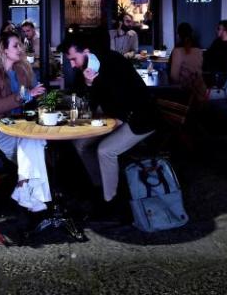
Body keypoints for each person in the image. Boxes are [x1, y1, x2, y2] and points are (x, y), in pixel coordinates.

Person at [61, 32, 159, 216]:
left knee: (105, 151)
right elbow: (89, 102)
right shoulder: (88, 69)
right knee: (80, 145)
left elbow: (121, 99)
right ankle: (100, 188)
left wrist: (94, 83)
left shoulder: (113, 62)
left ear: (87, 52)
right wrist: (89, 85)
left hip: (140, 118)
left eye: (73, 59)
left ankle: (111, 203)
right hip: (117, 117)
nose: (72, 64)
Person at [0, 32, 49, 214]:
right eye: (15, 45)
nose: (20, 48)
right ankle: (31, 192)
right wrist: (24, 96)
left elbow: (35, 94)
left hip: (20, 128)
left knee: (31, 139)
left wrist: (43, 99)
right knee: (34, 141)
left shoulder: (22, 69)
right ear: (3, 49)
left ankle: (23, 189)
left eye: (21, 45)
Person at [169, 22, 206, 100]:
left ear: (178, 35)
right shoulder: (199, 49)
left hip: (184, 92)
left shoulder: (177, 51)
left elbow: (174, 76)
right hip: (200, 91)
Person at [203, 20, 227, 87]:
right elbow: (207, 56)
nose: (216, 30)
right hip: (208, 73)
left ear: (226, 31)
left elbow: (223, 65)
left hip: (217, 76)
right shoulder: (217, 42)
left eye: (219, 29)